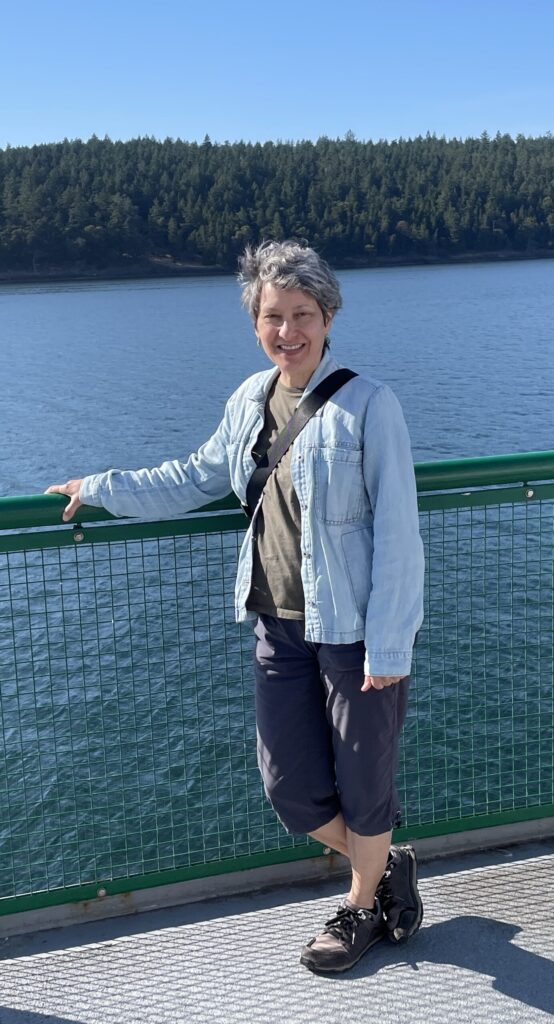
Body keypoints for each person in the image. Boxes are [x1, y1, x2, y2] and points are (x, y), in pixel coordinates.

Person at [46, 239, 425, 974]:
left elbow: (400, 535)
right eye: (273, 316)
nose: (288, 330)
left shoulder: (370, 404)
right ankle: (385, 870)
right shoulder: (249, 400)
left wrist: (389, 645)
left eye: (302, 314)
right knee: (289, 787)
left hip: (353, 633)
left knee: (364, 784)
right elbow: (192, 476)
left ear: (328, 316)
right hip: (277, 626)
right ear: (255, 322)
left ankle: (358, 909)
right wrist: (99, 487)